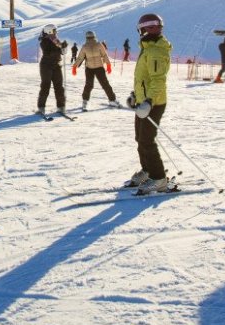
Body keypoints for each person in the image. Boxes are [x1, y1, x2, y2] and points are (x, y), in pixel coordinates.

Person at [126, 13, 173, 195]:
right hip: (144, 102)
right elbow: (143, 79)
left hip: (153, 103)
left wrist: (149, 101)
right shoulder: (148, 47)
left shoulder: (155, 51)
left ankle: (159, 178)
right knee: (140, 138)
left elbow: (158, 80)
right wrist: (135, 96)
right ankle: (147, 171)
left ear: (144, 29)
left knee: (147, 140)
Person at [72, 30, 121, 110]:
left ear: (86, 37)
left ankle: (85, 102)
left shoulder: (85, 46)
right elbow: (105, 55)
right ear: (94, 36)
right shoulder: (99, 45)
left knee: (89, 85)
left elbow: (80, 58)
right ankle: (112, 100)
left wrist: (75, 67)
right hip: (99, 68)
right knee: (105, 84)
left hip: (89, 69)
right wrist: (108, 65)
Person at [36, 24, 67, 115]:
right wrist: (59, 48)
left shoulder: (56, 40)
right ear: (49, 31)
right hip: (46, 66)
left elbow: (63, 52)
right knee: (46, 86)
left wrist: (64, 47)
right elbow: (48, 53)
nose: (56, 32)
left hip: (56, 65)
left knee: (59, 87)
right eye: (54, 31)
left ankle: (61, 107)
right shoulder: (44, 41)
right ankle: (41, 108)